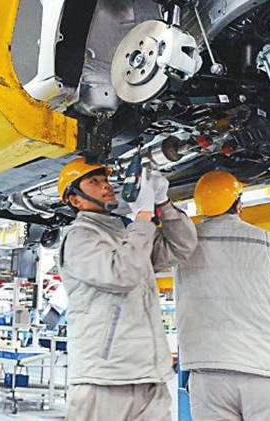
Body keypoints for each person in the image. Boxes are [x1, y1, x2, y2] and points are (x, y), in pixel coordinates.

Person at [55, 158, 197, 421]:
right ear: (75, 200)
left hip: (149, 375)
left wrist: (163, 204)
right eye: (94, 181)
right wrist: (143, 217)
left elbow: (182, 247)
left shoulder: (127, 233)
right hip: (104, 379)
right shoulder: (79, 238)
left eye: (105, 180)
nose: (106, 186)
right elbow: (122, 274)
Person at [176, 170, 270, 421]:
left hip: (206, 368)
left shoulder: (185, 243)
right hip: (261, 367)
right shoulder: (264, 240)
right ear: (238, 204)